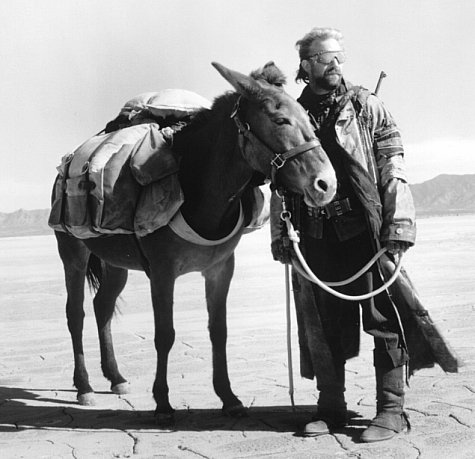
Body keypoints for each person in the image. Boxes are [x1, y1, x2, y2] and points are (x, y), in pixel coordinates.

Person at [270, 27, 416, 443]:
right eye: (324, 57)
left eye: (339, 57)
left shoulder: (367, 107)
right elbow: (280, 178)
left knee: (384, 319)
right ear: (306, 65)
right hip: (314, 235)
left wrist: (399, 224)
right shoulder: (292, 113)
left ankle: (391, 411)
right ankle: (331, 408)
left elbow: (393, 165)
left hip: (366, 233)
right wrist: (281, 233)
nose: (334, 64)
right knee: (322, 325)